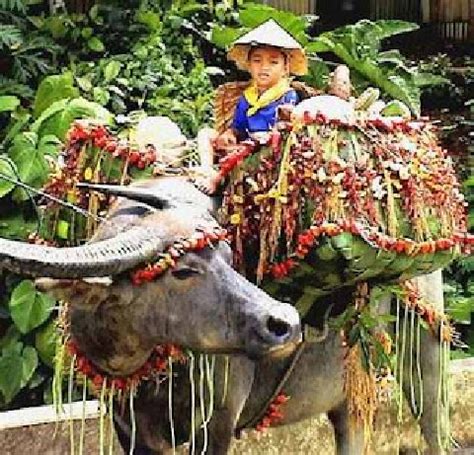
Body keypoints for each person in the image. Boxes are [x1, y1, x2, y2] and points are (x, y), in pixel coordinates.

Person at [195, 19, 308, 193]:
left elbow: (285, 130)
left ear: (285, 68)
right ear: (249, 65)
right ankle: (206, 167)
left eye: (273, 62)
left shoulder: (287, 95)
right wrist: (230, 134)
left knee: (247, 149)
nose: (264, 67)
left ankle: (216, 179)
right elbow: (238, 128)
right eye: (257, 61)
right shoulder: (247, 97)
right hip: (245, 142)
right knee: (206, 134)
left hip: (267, 147)